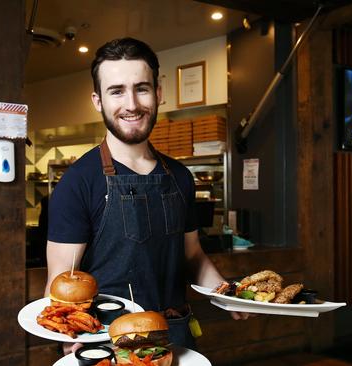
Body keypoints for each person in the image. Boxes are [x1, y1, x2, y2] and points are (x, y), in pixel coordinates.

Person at [44, 37, 251, 354]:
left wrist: (226, 292)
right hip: (108, 342)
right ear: (98, 100)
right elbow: (60, 284)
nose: (131, 104)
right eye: (116, 91)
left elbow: (193, 256)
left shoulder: (180, 176)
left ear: (158, 93)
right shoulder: (78, 182)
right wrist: (70, 339)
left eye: (141, 88)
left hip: (175, 337)